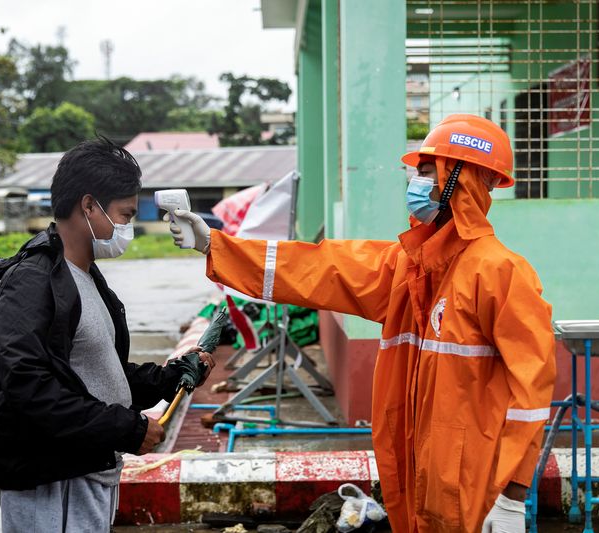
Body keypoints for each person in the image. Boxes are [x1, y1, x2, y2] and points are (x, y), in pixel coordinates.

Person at [168, 114, 556, 533]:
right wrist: (214, 244)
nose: (415, 181)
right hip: (416, 476)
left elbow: (531, 394)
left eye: (427, 171)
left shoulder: (501, 274)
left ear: (459, 179)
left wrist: (512, 496)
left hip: (476, 487)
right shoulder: (408, 267)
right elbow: (317, 267)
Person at [0, 137, 214, 533]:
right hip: (51, 479)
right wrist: (126, 429)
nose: (128, 228)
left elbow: (96, 371)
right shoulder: (31, 283)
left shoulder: (86, 280)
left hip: (87, 470)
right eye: (125, 215)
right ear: (89, 206)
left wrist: (169, 376)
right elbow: (28, 386)